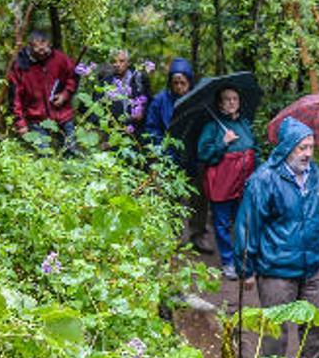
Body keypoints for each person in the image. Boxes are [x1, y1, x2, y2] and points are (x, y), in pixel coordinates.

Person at [234, 117, 319, 358]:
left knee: (316, 331)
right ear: (287, 147)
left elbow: (318, 218)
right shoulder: (264, 179)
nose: (308, 153)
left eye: (311, 147)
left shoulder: (315, 176)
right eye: (302, 147)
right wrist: (246, 268)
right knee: (274, 337)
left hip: (311, 268)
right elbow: (248, 225)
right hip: (276, 271)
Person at [144, 58, 212, 254]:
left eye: (183, 82)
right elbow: (152, 128)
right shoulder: (160, 101)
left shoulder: (199, 100)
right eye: (176, 82)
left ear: (190, 81)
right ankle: (174, 236)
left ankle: (198, 235)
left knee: (199, 198)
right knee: (171, 198)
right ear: (170, 83)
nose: (179, 86)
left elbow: (207, 127)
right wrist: (161, 150)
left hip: (194, 156)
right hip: (171, 155)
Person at [196, 87, 258, 280]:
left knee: (245, 221)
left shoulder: (244, 123)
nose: (232, 102)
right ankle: (228, 261)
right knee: (222, 223)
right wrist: (223, 142)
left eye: (235, 99)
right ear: (220, 103)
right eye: (227, 99)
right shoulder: (212, 127)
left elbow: (254, 148)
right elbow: (203, 154)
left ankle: (244, 259)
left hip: (244, 182)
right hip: (222, 183)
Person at [7, 30, 77, 153]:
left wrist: (65, 94)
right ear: (30, 46)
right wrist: (20, 123)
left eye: (46, 50)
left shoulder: (60, 58)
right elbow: (14, 97)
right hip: (36, 117)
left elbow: (73, 78)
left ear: (49, 44)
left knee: (71, 151)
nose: (43, 54)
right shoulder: (20, 66)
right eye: (38, 50)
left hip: (62, 114)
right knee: (44, 156)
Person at [99, 49, 150, 136]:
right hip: (113, 133)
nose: (117, 65)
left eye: (121, 61)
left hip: (136, 132)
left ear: (128, 62)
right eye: (114, 62)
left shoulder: (139, 79)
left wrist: (143, 112)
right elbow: (98, 106)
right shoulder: (106, 81)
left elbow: (150, 101)